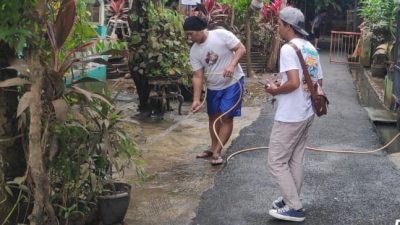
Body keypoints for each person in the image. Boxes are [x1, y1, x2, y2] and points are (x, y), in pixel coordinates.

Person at [263, 6, 323, 222]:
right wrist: (285, 83)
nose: (277, 27)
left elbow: (295, 83)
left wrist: (274, 89)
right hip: (307, 111)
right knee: (295, 158)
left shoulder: (289, 49)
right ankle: (291, 199)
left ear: (288, 26)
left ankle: (294, 208)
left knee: (276, 161)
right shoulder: (310, 48)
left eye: (279, 24)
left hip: (290, 115)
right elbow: (317, 83)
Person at [183, 16, 246, 166]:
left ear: (200, 30)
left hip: (233, 82)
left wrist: (231, 66)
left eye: (191, 33)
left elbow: (241, 49)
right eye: (187, 34)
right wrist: (196, 99)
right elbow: (198, 76)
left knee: (227, 117)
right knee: (213, 117)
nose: (189, 37)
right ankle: (212, 147)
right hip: (213, 86)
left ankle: (218, 151)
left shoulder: (221, 35)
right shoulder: (194, 51)